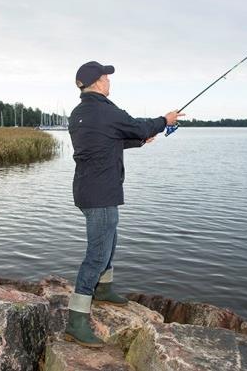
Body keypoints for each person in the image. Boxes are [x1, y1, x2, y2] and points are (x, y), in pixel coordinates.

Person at [65, 61, 184, 347]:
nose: (109, 81)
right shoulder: (106, 110)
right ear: (97, 82)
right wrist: (164, 120)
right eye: (106, 77)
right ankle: (76, 320)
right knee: (97, 253)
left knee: (110, 240)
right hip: (101, 193)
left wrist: (141, 141)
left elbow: (110, 140)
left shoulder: (80, 112)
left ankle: (104, 290)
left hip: (86, 190)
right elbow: (136, 125)